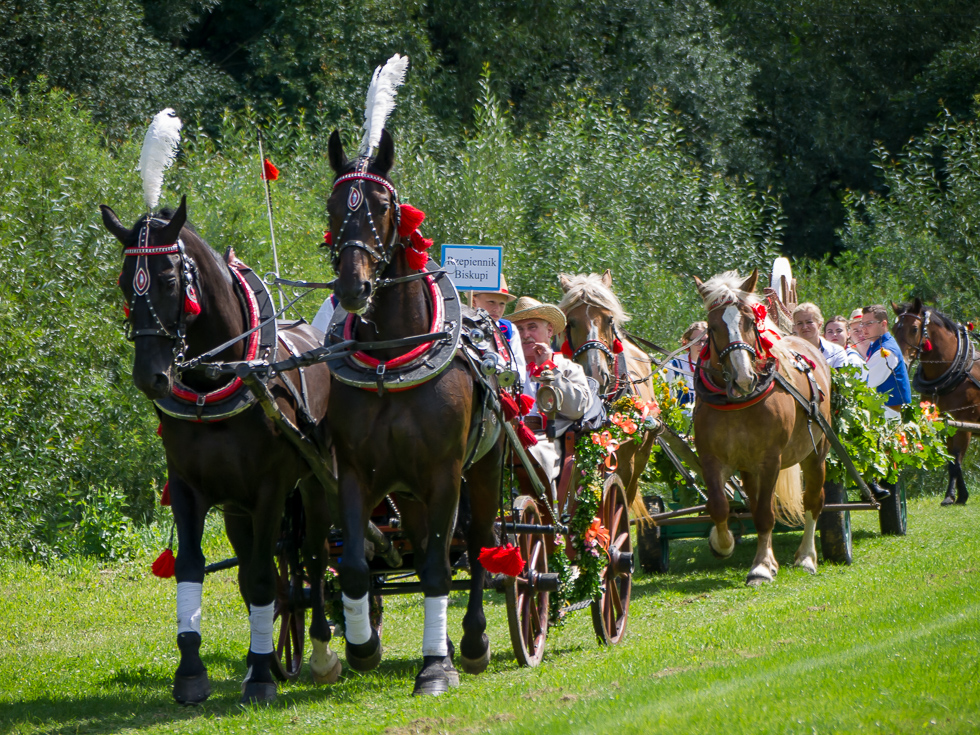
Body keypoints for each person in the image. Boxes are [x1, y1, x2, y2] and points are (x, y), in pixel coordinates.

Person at [509, 296, 593, 496]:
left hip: (547, 440)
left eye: (532, 327)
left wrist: (549, 368)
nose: (525, 335)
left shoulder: (567, 367)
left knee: (535, 454)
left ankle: (546, 515)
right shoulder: (506, 367)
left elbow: (577, 409)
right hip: (507, 437)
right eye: (519, 330)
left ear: (549, 331)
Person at [862, 304, 913, 501]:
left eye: (869, 324)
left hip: (887, 416)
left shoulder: (886, 352)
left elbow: (866, 384)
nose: (864, 328)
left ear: (883, 324)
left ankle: (871, 481)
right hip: (882, 413)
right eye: (862, 324)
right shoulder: (878, 345)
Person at [469, 275, 526, 386]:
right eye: (491, 302)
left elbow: (519, 367)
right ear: (474, 302)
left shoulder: (509, 329)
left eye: (502, 304)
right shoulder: (465, 326)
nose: (497, 309)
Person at [792, 303, 866, 374]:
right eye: (799, 323)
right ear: (795, 327)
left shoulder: (836, 352)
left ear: (819, 324)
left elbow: (839, 384)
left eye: (809, 322)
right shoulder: (789, 351)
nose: (804, 327)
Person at [665, 321, 707, 412]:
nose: (702, 345)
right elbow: (669, 402)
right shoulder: (674, 366)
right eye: (697, 341)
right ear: (688, 342)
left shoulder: (716, 366)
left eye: (705, 341)